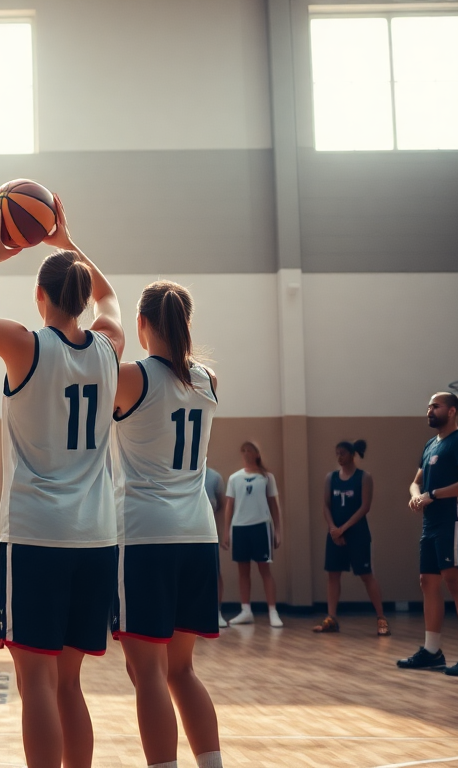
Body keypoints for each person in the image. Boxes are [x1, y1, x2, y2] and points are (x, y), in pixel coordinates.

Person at [0, 195, 122, 768]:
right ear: (85, 298)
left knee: (36, 684)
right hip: (96, 537)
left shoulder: (23, 343)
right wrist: (66, 242)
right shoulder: (111, 347)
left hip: (38, 535)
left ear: (39, 297)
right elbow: (112, 297)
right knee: (70, 686)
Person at [110, 281, 223, 768]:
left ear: (142, 325)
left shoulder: (131, 378)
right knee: (181, 670)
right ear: (185, 323)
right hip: (199, 534)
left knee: (148, 672)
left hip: (145, 535)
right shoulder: (208, 379)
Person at [397, 392, 458, 676]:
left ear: (452, 411)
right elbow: (416, 482)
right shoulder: (430, 445)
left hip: (455, 520)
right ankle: (432, 651)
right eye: (428, 406)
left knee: (454, 581)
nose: (429, 410)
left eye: (435, 406)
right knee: (427, 582)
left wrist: (432, 495)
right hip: (432, 524)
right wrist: (416, 496)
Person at [313, 440, 389, 637]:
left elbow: (365, 507)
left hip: (357, 533)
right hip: (335, 533)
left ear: (352, 454)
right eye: (337, 453)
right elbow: (326, 506)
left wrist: (343, 529)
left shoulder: (364, 477)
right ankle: (331, 618)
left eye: (343, 454)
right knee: (333, 574)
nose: (339, 457)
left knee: (366, 574)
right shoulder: (330, 478)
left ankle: (381, 618)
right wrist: (332, 529)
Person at [221, 442, 283, 627]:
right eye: (243, 451)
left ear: (257, 453)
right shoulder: (234, 478)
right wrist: (226, 531)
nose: (246, 453)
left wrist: (277, 530)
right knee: (243, 571)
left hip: (260, 527)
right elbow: (229, 506)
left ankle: (273, 610)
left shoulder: (267, 477)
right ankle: (246, 610)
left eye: (250, 450)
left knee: (265, 569)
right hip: (239, 528)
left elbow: (274, 505)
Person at [204, 466, 227, 629]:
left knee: (214, 573)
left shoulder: (214, 477)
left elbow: (223, 506)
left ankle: (216, 612)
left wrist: (224, 532)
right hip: (184, 534)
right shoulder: (179, 474)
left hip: (208, 534)